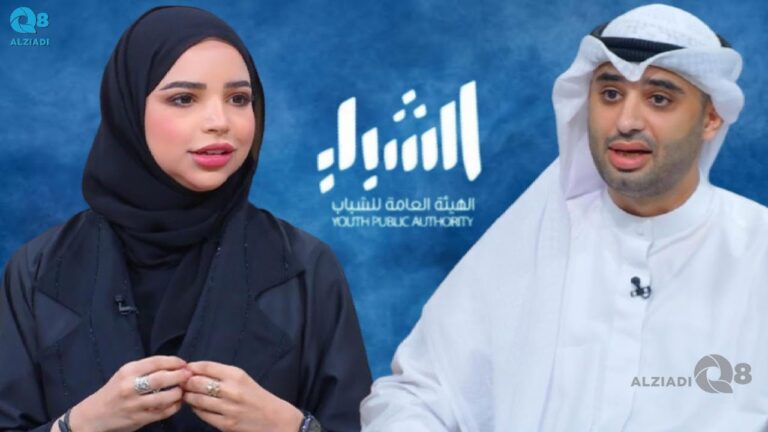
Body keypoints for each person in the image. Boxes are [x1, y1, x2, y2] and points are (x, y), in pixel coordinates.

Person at [361, 4, 768, 431]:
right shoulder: (535, 235)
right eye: (610, 95)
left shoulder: (757, 251)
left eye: (659, 99)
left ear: (711, 119)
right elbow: (415, 394)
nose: (626, 121)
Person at [0, 6, 371, 432]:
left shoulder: (306, 267)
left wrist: (292, 427)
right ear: (128, 109)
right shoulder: (39, 271)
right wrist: (78, 425)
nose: (220, 122)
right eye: (184, 99)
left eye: (238, 99)